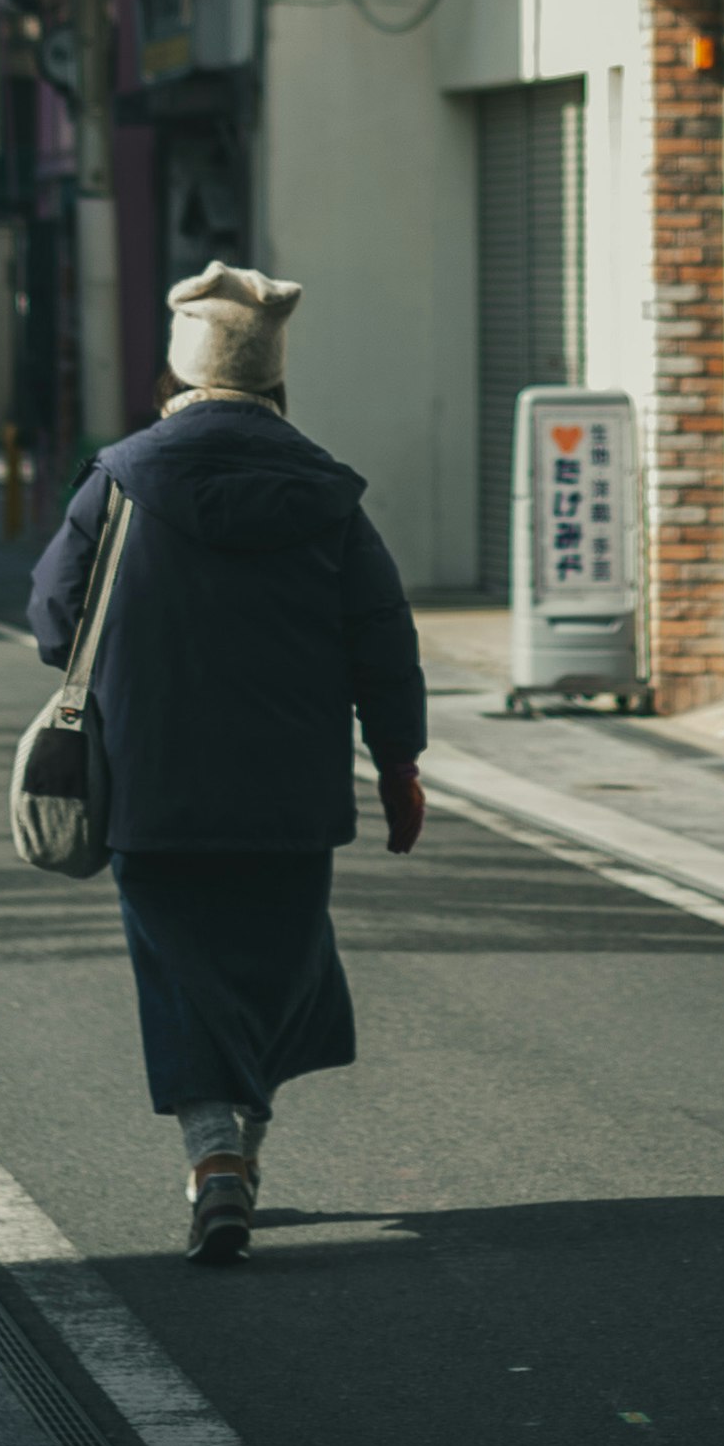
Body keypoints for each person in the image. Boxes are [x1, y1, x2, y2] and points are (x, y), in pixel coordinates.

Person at [26, 259, 426, 1264]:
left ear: (175, 378)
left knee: (184, 975)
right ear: (278, 386)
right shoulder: (329, 496)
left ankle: (216, 1162)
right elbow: (382, 640)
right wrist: (399, 764)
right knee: (274, 973)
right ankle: (236, 1152)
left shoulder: (120, 482)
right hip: (290, 791)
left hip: (151, 784)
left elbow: (49, 621)